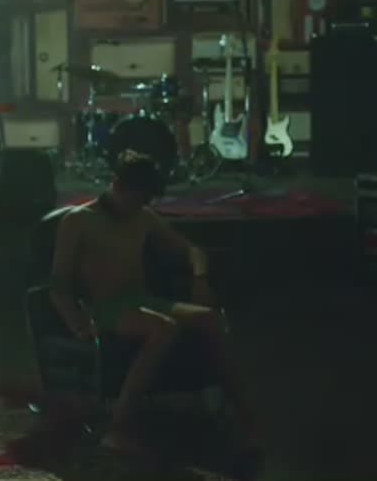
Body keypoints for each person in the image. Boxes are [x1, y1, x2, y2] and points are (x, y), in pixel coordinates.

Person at [49, 150, 257, 453]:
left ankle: (244, 416)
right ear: (118, 187)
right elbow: (58, 284)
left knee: (211, 318)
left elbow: (192, 250)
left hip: (143, 301)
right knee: (163, 328)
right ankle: (118, 426)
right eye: (138, 197)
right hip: (106, 307)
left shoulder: (143, 216)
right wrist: (78, 325)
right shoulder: (78, 221)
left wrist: (199, 279)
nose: (142, 204)